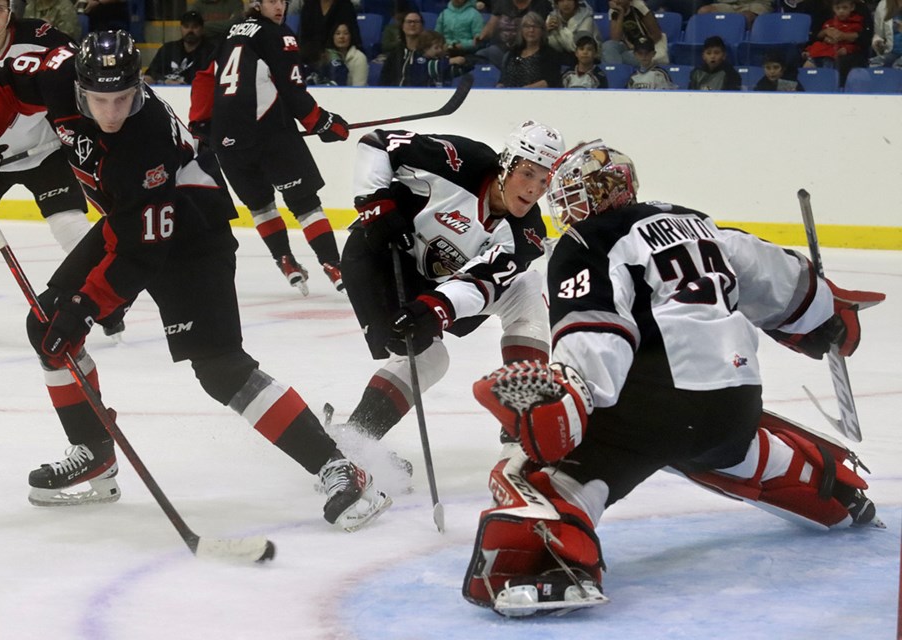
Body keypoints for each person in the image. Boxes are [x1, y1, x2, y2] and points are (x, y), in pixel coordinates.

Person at [0, 29, 390, 530]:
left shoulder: (146, 140)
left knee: (220, 369)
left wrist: (88, 305)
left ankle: (338, 465)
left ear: (138, 85)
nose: (113, 112)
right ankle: (95, 451)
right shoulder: (57, 75)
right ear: (79, 85)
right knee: (46, 328)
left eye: (123, 98)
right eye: (101, 100)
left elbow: (142, 251)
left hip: (191, 234)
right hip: (129, 222)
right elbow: (5, 81)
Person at [462, 139, 885, 617]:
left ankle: (551, 566)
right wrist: (824, 315)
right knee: (732, 443)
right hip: (735, 405)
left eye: (576, 193)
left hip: (654, 412)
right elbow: (783, 280)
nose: (566, 206)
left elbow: (597, 330)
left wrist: (572, 395)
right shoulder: (698, 223)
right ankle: (834, 491)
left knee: (529, 469)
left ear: (602, 192)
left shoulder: (587, 242)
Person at [336, 121, 564, 462]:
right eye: (528, 173)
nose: (534, 189)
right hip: (377, 260)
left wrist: (436, 308)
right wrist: (375, 204)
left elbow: (480, 284)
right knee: (428, 357)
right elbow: (377, 142)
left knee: (527, 287)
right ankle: (352, 445)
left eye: (544, 181)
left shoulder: (526, 235)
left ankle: (523, 417)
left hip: (439, 285)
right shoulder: (459, 160)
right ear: (507, 163)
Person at [0, 0, 92, 340]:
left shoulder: (39, 36)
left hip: (46, 150)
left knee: (69, 224)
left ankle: (101, 298)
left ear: (11, 12)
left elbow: (76, 69)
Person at [189, 0, 349, 295]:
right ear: (256, 3)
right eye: (272, 0)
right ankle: (332, 264)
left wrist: (200, 123)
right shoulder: (279, 34)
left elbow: (203, 77)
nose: (279, 7)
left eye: (282, 1)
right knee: (304, 203)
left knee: (260, 204)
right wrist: (322, 123)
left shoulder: (231, 32)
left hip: (226, 140)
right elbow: (292, 89)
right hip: (270, 133)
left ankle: (285, 260)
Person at [475, 0, 554, 69]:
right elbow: (491, 26)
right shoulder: (502, 2)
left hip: (527, 48)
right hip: (502, 48)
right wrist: (480, 37)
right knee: (481, 55)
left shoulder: (540, 4)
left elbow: (542, 28)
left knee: (509, 59)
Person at [143, 10, 214, 85]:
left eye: (195, 27)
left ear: (202, 29)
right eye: (186, 26)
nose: (190, 30)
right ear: (181, 28)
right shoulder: (168, 49)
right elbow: (151, 74)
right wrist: (164, 81)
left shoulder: (210, 52)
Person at [497, 11, 564, 87]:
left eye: (535, 27)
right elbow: (502, 79)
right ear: (521, 30)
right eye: (527, 26)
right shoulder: (513, 53)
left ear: (542, 31)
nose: (531, 30)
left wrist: (526, 90)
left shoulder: (550, 54)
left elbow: (551, 81)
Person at [297, 0, 360, 68]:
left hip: (338, 53)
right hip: (312, 53)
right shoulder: (309, 5)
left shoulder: (346, 6)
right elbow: (304, 37)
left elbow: (352, 36)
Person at [602, 0, 667, 66]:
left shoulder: (638, 6)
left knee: (620, 58)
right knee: (608, 45)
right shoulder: (613, 10)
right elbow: (615, 39)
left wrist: (639, 47)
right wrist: (621, 13)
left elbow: (657, 34)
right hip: (628, 50)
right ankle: (617, 73)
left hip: (645, 49)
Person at [803, 0, 865, 68]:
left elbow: (857, 43)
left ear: (852, 7)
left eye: (845, 8)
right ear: (833, 8)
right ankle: (810, 54)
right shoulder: (829, 23)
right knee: (809, 63)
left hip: (836, 53)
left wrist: (846, 48)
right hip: (823, 50)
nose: (841, 11)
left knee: (828, 60)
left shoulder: (856, 24)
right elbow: (819, 36)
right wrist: (825, 33)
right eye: (838, 8)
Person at [545, 0, 600, 67]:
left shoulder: (587, 19)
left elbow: (578, 47)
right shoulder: (552, 17)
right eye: (561, 1)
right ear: (557, 3)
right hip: (560, 55)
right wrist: (546, 32)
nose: (566, 4)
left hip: (585, 57)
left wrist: (560, 30)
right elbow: (553, 46)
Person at [315, 21, 369, 86]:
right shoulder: (327, 56)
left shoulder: (359, 57)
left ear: (351, 36)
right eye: (337, 33)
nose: (341, 37)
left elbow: (359, 87)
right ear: (332, 37)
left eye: (346, 33)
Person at [379, 10, 424, 85]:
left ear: (422, 26)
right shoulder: (394, 55)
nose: (412, 24)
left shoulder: (427, 53)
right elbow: (383, 81)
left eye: (416, 22)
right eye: (409, 22)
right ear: (402, 26)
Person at [697, 0, 772, 30]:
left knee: (745, 18)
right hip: (728, 4)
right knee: (704, 12)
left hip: (755, 3)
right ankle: (712, 48)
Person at [870, 0, 902, 68]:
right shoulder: (883, 4)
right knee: (874, 63)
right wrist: (878, 42)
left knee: (898, 66)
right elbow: (878, 34)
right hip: (892, 52)